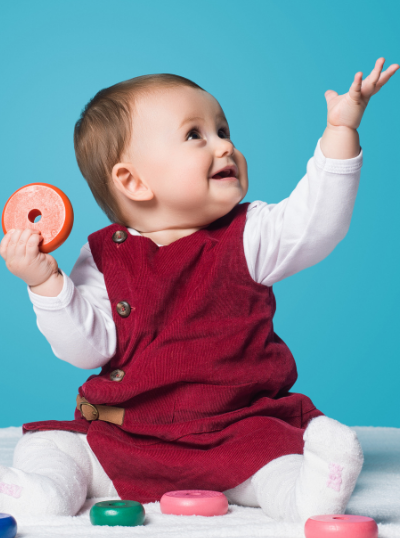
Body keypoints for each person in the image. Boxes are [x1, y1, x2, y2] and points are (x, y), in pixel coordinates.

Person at [1, 59, 398, 521]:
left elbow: (317, 222)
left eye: (223, 130)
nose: (225, 146)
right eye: (196, 135)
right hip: (132, 434)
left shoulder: (250, 235)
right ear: (133, 181)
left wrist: (340, 133)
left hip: (237, 429)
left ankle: (311, 494)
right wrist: (45, 283)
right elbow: (87, 348)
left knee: (275, 462)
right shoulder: (103, 256)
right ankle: (44, 491)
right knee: (53, 445)